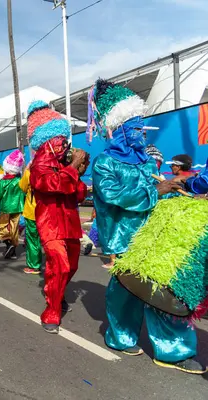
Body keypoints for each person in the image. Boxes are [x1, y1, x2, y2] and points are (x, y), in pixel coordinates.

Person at [88, 78, 205, 374]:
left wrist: (182, 187)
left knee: (161, 290)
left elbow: (162, 187)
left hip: (153, 234)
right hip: (124, 237)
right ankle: (120, 336)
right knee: (125, 290)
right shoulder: (105, 163)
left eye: (142, 128)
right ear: (123, 130)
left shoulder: (144, 161)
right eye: (137, 129)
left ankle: (173, 351)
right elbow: (113, 197)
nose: (142, 134)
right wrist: (157, 192)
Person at [27, 100, 89, 334]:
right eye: (61, 140)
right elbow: (53, 185)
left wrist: (79, 172)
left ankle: (56, 292)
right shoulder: (38, 167)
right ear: (48, 142)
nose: (66, 144)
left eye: (65, 140)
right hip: (50, 225)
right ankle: (51, 310)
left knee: (71, 266)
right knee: (60, 264)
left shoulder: (65, 164)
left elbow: (79, 194)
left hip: (71, 224)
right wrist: (73, 167)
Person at [0, 150, 25, 260]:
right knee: (14, 229)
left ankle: (8, 244)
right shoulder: (19, 181)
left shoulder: (3, 182)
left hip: (5, 208)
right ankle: (13, 252)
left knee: (3, 228)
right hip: (17, 208)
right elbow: (23, 194)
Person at [19, 161, 42, 274]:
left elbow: (22, 186)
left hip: (32, 212)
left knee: (33, 240)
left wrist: (26, 170)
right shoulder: (49, 172)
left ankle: (34, 265)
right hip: (46, 211)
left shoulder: (30, 174)